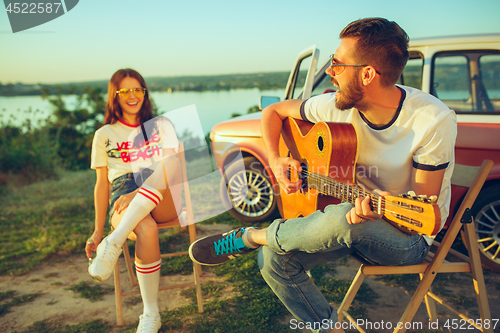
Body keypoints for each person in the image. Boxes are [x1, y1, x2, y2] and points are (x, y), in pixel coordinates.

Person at [189, 18, 457, 333]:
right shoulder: (337, 106)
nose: (330, 71)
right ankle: (329, 327)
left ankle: (250, 236)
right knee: (273, 261)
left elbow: (419, 216)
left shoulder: (431, 120)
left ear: (367, 74)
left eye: (337, 63)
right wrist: (277, 160)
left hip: (407, 239)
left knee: (344, 218)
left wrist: (374, 214)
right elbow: (273, 112)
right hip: (348, 222)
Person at [85, 68, 181, 333]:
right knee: (146, 228)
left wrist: (138, 192)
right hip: (121, 188)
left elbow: (171, 165)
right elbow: (102, 185)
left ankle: (113, 242)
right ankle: (151, 314)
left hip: (161, 190)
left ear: (144, 93)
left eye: (137, 89)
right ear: (115, 96)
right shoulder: (104, 134)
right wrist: (97, 230)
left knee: (170, 160)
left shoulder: (161, 126)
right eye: (125, 90)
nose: (132, 95)